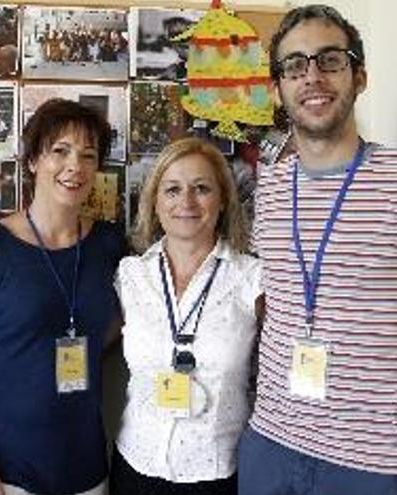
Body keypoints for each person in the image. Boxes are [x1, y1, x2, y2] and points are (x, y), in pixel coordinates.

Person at [238, 5, 397, 495]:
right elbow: (272, 302)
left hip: (371, 464)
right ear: (277, 88)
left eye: (330, 60)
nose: (312, 77)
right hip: (268, 446)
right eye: (294, 65)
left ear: (360, 76)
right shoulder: (267, 189)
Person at [0, 98, 124, 495]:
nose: (75, 165)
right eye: (60, 151)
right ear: (32, 161)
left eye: (88, 155)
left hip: (85, 466)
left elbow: (118, 325)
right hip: (2, 471)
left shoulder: (109, 244)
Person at [109, 137, 263, 495]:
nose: (187, 202)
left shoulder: (253, 279)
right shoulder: (130, 276)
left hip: (217, 473)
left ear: (223, 199)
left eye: (202, 188)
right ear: (156, 202)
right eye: (173, 189)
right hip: (135, 465)